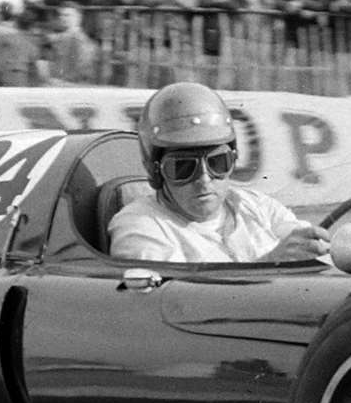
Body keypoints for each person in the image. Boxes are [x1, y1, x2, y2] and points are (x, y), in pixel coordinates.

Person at [107, 82, 330, 265]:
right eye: (183, 168)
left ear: (233, 160)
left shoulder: (256, 207)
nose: (204, 179)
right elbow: (174, 305)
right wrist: (271, 261)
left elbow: (308, 246)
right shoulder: (141, 226)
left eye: (218, 163)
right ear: (156, 172)